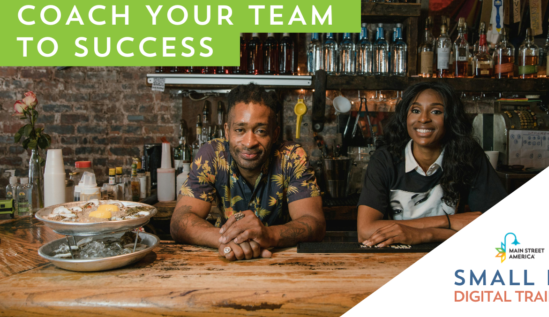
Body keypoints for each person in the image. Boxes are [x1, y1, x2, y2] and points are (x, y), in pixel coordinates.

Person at [172, 84, 326, 261]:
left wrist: (269, 235)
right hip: (227, 258)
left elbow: (315, 223)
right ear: (227, 131)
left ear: (275, 134)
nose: (250, 142)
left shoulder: (291, 157)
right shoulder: (212, 155)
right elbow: (179, 221)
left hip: (281, 261)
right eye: (240, 130)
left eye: (260, 131)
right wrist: (227, 240)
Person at [357, 82, 506, 247]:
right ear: (405, 116)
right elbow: (365, 231)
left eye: (436, 111)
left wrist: (423, 235)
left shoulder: (468, 155)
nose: (423, 119)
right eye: (415, 110)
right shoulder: (385, 159)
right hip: (395, 257)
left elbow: (498, 228)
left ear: (450, 118)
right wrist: (449, 222)